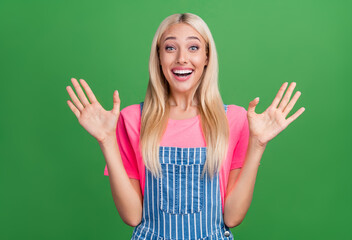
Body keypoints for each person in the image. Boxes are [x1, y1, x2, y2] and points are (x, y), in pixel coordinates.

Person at [66, 13, 305, 240]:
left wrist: (258, 144)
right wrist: (106, 140)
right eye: (170, 48)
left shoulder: (235, 119)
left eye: (193, 47)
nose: (181, 58)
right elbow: (132, 216)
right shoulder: (132, 119)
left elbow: (232, 217)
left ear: (207, 57)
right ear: (158, 58)